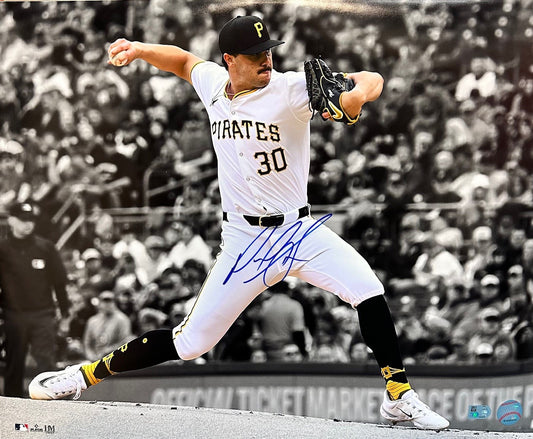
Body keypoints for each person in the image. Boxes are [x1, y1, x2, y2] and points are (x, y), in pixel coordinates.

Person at [28, 15, 448, 430]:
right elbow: (182, 60)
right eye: (254, 54)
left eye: (268, 51)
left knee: (368, 289)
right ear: (229, 60)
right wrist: (139, 49)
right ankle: (82, 376)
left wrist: (355, 98)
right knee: (190, 343)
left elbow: (372, 78)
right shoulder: (213, 83)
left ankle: (398, 395)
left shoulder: (290, 89)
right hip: (244, 239)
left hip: (298, 231)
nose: (266, 59)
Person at [0, 202, 70, 397]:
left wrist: (65, 315)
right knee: (14, 363)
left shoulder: (45, 248)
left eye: (31, 220)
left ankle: (51, 403)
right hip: (13, 314)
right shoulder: (2, 250)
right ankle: (12, 404)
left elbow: (59, 283)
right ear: (11, 220)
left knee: (46, 362)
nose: (28, 224)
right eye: (23, 220)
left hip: (43, 314)